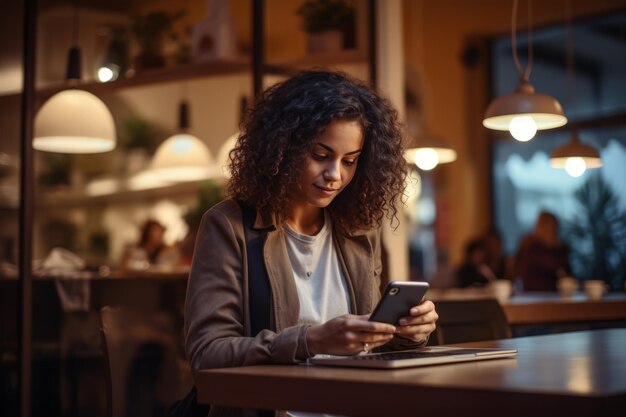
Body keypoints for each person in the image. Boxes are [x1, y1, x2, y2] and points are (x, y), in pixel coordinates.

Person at [184, 70, 438, 417]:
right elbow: (207, 354)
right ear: (283, 147)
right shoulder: (229, 226)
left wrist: (409, 333)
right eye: (321, 155)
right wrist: (309, 341)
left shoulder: (359, 231)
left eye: (349, 161)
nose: (335, 174)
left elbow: (370, 346)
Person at [515, 211, 571, 292]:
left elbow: (566, 274)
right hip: (534, 295)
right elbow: (553, 265)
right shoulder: (532, 247)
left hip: (556, 295)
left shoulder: (561, 249)